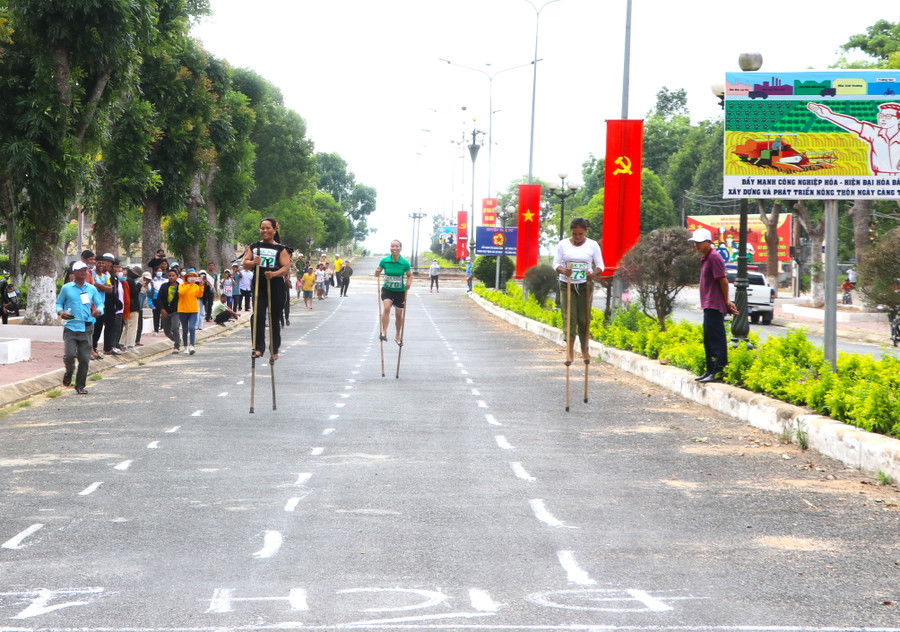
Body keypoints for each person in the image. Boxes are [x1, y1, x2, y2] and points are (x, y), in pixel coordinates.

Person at [689, 227, 739, 383]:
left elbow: (723, 281)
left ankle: (718, 371)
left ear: (708, 242)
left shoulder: (714, 257)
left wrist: (727, 301)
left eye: (699, 242)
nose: (696, 245)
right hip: (708, 304)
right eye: (695, 242)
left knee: (716, 339)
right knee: (708, 339)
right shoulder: (705, 257)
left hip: (715, 304)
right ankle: (710, 370)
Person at [552, 217, 605, 365]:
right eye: (574, 234)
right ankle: (569, 352)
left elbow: (601, 265)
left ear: (585, 232)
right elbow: (555, 263)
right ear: (571, 232)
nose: (577, 237)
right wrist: (563, 270)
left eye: (580, 234)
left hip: (584, 286)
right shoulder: (563, 244)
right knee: (570, 318)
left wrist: (593, 274)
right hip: (566, 284)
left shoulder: (592, 245)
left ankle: (584, 349)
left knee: (584, 318)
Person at [242, 217, 291, 360]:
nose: (265, 231)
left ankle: (274, 348)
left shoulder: (281, 249)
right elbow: (245, 264)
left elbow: (286, 268)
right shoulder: (254, 247)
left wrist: (274, 274)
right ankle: (258, 347)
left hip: (275, 285)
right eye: (262, 228)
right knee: (257, 316)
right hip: (259, 284)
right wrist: (252, 262)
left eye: (268, 228)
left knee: (274, 318)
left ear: (274, 229)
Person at [807, 102, 900, 175]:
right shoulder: (874, 132)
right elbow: (853, 124)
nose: (883, 119)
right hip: (880, 176)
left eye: (888, 116)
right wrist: (829, 115)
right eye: (881, 116)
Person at [55, 261, 104, 394]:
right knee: (70, 355)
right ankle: (69, 372)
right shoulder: (66, 288)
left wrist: (98, 311)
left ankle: (80, 385)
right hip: (71, 326)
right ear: (74, 273)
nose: (83, 272)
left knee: (84, 359)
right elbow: (59, 303)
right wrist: (60, 312)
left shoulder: (91, 288)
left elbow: (100, 304)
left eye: (85, 270)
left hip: (86, 327)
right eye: (80, 270)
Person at [375, 239, 413, 345]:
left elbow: (410, 275)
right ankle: (384, 331)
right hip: (387, 289)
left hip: (400, 291)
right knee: (386, 308)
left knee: (398, 314)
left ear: (400, 248)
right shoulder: (384, 261)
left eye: (397, 246)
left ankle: (397, 335)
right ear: (390, 248)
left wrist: (409, 283)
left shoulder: (404, 263)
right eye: (392, 246)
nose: (394, 248)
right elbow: (377, 272)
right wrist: (377, 272)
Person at [177, 270, 204, 355]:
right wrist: (190, 285)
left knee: (192, 328)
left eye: (193, 276)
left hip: (193, 310)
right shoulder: (181, 286)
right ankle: (185, 346)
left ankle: (192, 345)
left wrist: (201, 285)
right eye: (189, 276)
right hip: (183, 310)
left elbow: (199, 295)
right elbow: (182, 293)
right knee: (185, 330)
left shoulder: (195, 286)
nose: (191, 278)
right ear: (186, 277)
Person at [157, 269, 181, 354]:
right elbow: (158, 299)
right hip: (165, 311)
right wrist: (162, 309)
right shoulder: (164, 286)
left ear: (176, 276)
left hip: (176, 311)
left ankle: (176, 346)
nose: (171, 277)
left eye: (173, 275)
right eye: (169, 275)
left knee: (175, 327)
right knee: (167, 331)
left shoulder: (180, 287)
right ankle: (177, 340)